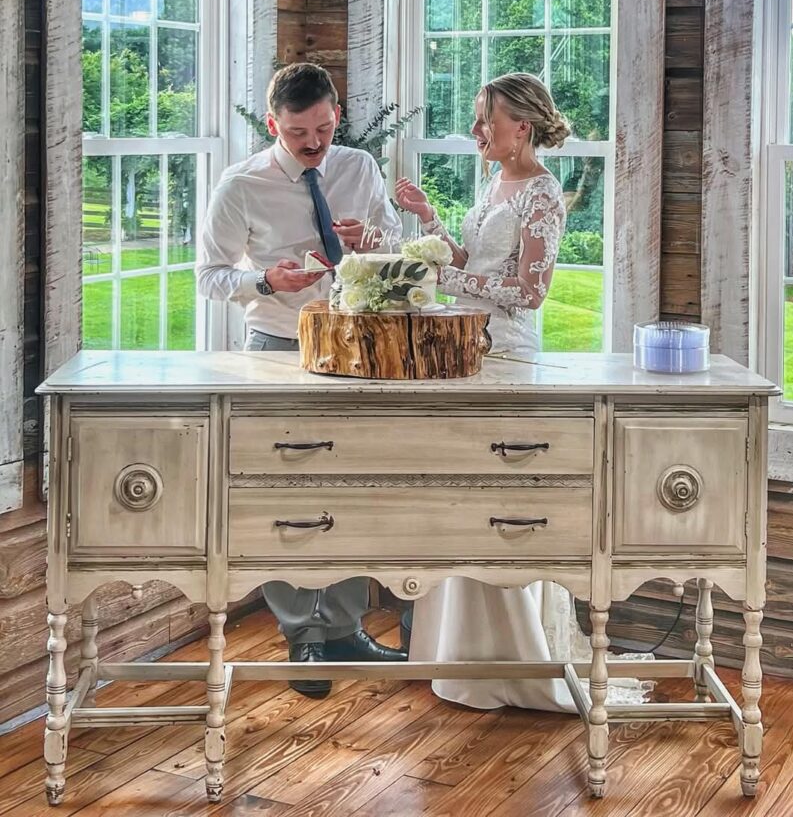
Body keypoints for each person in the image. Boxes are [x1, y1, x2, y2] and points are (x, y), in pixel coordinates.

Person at [396, 72, 646, 711]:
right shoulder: (495, 181)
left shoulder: (543, 194)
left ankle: (514, 659)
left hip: (507, 354)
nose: (476, 129)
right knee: (463, 491)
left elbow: (530, 293)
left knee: (498, 497)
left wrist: (443, 280)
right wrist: (429, 220)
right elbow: (474, 263)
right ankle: (460, 657)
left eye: (486, 119)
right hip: (467, 350)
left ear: (522, 128)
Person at [196, 62, 406, 698]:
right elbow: (208, 276)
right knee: (283, 495)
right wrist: (265, 281)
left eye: (322, 128)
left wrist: (372, 237)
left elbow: (395, 244)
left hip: (353, 345)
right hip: (276, 348)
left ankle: (343, 628)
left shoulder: (358, 168)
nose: (313, 143)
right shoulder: (241, 185)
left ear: (336, 116)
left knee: (353, 486)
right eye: (297, 133)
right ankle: (302, 635)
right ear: (273, 125)